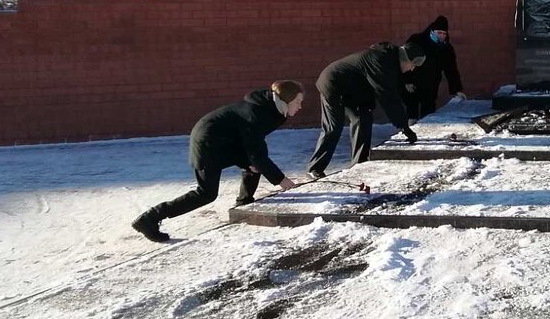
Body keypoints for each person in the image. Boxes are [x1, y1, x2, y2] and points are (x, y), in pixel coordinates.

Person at [131, 80, 305, 243]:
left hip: (226, 141)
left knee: (254, 165)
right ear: (286, 100)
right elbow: (256, 152)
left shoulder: (271, 109)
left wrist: (258, 164)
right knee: (206, 193)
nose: (300, 106)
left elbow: (255, 148)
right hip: (208, 142)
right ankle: (149, 218)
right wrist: (280, 179)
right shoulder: (258, 113)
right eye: (297, 102)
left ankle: (244, 202)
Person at [307, 41, 424, 178]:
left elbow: (391, 91)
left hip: (354, 91)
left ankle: (359, 164)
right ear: (405, 59)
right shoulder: (381, 61)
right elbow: (387, 96)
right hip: (333, 84)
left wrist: (403, 125)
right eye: (413, 65)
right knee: (333, 127)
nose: (412, 69)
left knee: (363, 119)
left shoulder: (390, 61)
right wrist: (404, 126)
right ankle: (314, 168)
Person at [401, 15, 465, 120]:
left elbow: (451, 70)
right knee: (411, 111)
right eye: (439, 33)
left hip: (431, 85)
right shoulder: (417, 40)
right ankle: (409, 130)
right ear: (432, 31)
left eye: (444, 33)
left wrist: (456, 89)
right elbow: (404, 60)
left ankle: (424, 131)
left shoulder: (446, 49)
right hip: (413, 83)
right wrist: (406, 80)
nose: (441, 36)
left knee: (428, 113)